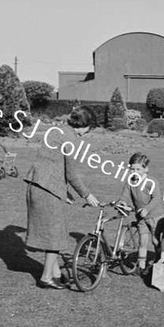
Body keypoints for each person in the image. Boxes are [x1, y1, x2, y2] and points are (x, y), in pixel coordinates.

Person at [24, 111, 99, 289]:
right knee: (55, 234)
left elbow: (53, 164)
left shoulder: (57, 130)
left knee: (52, 232)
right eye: (87, 129)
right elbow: (71, 174)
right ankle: (46, 278)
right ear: (83, 124)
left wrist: (63, 190)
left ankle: (57, 274)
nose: (85, 134)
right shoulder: (71, 139)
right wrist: (87, 194)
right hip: (47, 190)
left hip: (36, 185)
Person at [117, 152, 161, 275]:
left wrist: (147, 209)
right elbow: (124, 196)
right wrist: (122, 203)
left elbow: (156, 198)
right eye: (132, 169)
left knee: (156, 241)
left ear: (146, 169)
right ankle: (141, 266)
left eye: (138, 169)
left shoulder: (151, 182)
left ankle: (159, 261)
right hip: (141, 218)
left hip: (155, 216)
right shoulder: (129, 182)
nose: (134, 171)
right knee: (143, 242)